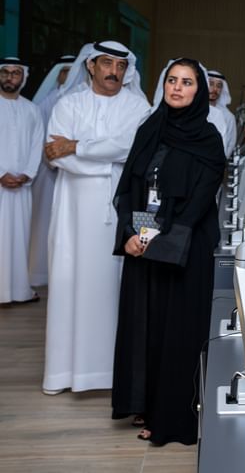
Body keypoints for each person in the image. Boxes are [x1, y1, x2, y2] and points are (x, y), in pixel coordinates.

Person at [111, 58, 226, 445]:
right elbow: (131, 185)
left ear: (199, 91)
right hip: (145, 241)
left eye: (188, 82)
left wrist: (162, 240)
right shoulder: (150, 128)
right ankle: (144, 402)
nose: (177, 88)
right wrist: (132, 232)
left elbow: (199, 201)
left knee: (178, 329)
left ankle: (172, 417)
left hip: (186, 246)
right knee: (146, 324)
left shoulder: (208, 138)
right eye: (172, 81)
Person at [42, 41, 150, 394]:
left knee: (114, 287)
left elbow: (133, 149)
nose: (114, 72)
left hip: (117, 211)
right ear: (90, 66)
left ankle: (111, 374)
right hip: (73, 209)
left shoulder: (139, 106)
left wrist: (78, 146)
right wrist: (107, 160)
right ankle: (63, 374)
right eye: (107, 63)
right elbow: (55, 157)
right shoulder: (67, 105)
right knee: (69, 281)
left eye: (121, 65)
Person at [29, 54, 76, 287]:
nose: (68, 75)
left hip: (72, 173)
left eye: (72, 70)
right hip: (45, 175)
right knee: (43, 222)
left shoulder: (75, 100)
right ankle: (38, 273)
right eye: (64, 71)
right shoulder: (46, 101)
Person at [0, 58, 44, 304]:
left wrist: (27, 173)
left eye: (15, 73)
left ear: (23, 78)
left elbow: (38, 145)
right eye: (5, 72)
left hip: (22, 186)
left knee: (19, 239)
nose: (10, 77)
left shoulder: (32, 110)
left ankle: (17, 290)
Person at [207, 69, 237, 157]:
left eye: (219, 86)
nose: (215, 89)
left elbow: (230, 144)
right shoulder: (192, 110)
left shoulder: (228, 117)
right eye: (211, 84)